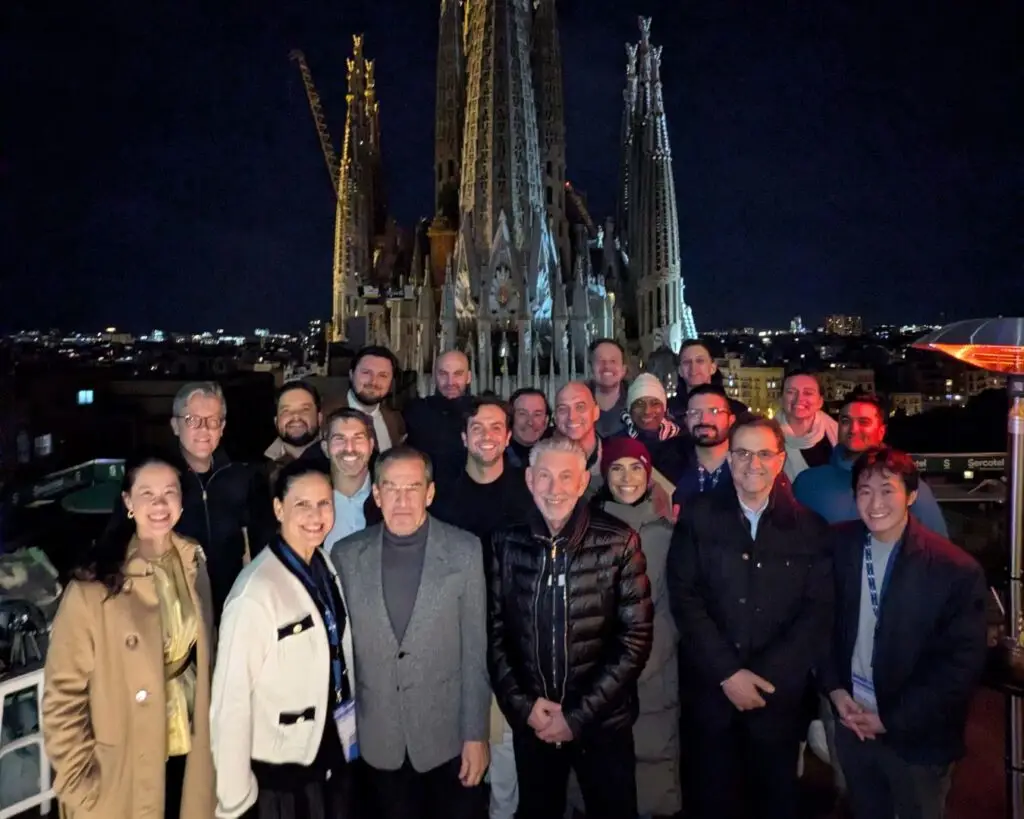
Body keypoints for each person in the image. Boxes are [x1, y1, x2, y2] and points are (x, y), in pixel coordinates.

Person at [667, 416, 832, 819]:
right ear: (729, 459)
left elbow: (816, 611)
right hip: (711, 694)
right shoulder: (698, 517)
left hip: (778, 699)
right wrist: (728, 674)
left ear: (779, 461)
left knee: (774, 800)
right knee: (709, 800)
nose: (752, 463)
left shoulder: (810, 528)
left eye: (763, 454)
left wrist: (766, 678)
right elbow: (685, 598)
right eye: (741, 452)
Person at [42, 456, 216, 819]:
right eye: (147, 493)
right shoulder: (93, 588)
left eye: (169, 492)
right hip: (119, 766)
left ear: (182, 501)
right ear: (127, 502)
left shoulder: (192, 562)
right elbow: (62, 699)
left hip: (188, 739)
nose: (159, 504)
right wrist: (78, 783)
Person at [489, 435, 653, 819]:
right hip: (535, 723)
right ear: (529, 480)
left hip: (602, 724)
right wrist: (524, 706)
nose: (555, 488)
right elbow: (495, 633)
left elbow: (635, 641)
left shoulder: (619, 542)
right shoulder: (506, 541)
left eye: (566, 477)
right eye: (544, 476)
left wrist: (576, 716)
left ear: (583, 483)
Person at [822, 447, 987, 819]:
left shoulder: (954, 570)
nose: (875, 502)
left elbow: (959, 668)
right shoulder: (837, 546)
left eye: (887, 490)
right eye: (865, 491)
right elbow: (821, 624)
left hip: (918, 737)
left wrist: (890, 720)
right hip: (853, 722)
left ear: (911, 495)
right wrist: (835, 690)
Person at [332, 446, 490, 819]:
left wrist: (475, 734)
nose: (402, 501)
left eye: (413, 488)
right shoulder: (345, 555)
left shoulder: (465, 551)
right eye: (391, 488)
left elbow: (475, 652)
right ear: (376, 494)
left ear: (429, 493)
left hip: (446, 739)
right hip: (376, 739)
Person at [211, 460, 357, 818]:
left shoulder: (325, 564)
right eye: (302, 505)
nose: (315, 515)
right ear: (278, 508)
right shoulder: (255, 591)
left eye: (324, 503)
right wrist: (234, 799)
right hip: (281, 770)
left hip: (331, 748)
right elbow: (229, 702)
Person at [169, 380, 255, 620]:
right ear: (175, 426)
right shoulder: (161, 480)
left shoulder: (238, 476)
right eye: (192, 420)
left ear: (222, 427)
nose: (204, 429)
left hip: (231, 604)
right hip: (178, 608)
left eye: (213, 421)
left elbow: (248, 544)